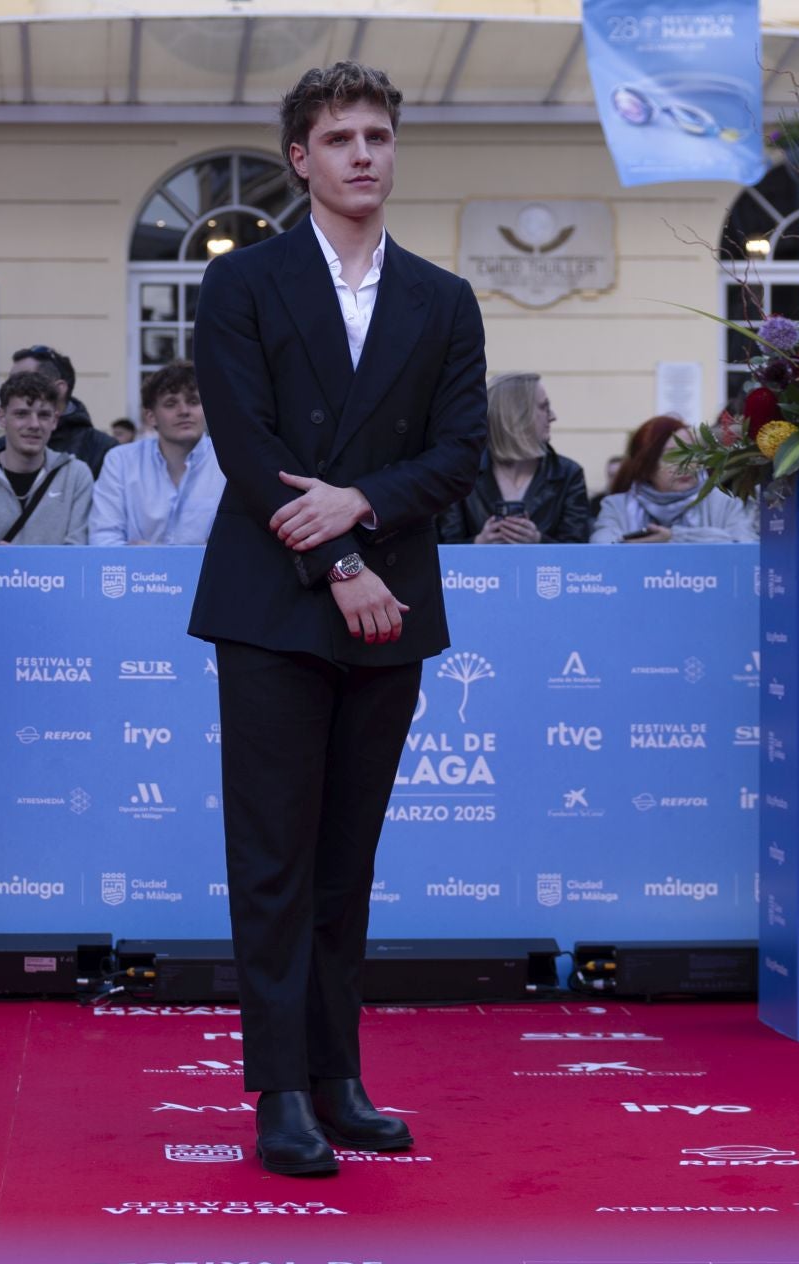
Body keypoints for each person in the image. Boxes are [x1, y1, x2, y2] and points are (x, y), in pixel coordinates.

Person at [187, 61, 486, 1177]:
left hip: (390, 609)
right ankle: (278, 1090)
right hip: (277, 605)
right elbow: (246, 445)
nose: (364, 152)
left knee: (345, 863)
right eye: (340, 136)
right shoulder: (244, 284)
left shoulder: (443, 300)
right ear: (300, 159)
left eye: (379, 134)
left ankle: (337, 1074)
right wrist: (344, 558)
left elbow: (458, 453)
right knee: (273, 857)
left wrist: (362, 506)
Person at [437, 372, 590, 544]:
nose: (553, 416)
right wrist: (479, 543)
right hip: (482, 572)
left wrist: (538, 541)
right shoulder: (461, 472)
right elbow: (443, 551)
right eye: (543, 407)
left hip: (542, 572)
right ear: (516, 416)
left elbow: (578, 554)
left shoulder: (569, 474)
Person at [0, 371, 93, 545]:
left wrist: (17, 561)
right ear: (1, 417)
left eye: (43, 415)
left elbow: (78, 554)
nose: (34, 425)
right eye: (22, 414)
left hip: (54, 574)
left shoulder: (76, 476)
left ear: (55, 420)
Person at [89, 361, 224, 546]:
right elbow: (102, 538)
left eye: (193, 401)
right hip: (136, 573)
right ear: (150, 416)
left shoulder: (227, 461)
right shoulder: (120, 461)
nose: (184, 411)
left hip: (209, 574)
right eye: (171, 404)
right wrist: (144, 560)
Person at [590, 415, 755, 542]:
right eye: (672, 456)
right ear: (645, 466)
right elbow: (601, 550)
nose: (686, 464)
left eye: (692, 453)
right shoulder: (617, 507)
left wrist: (675, 537)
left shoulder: (724, 504)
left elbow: (746, 548)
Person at [10, 344, 117, 478]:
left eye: (23, 381)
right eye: (10, 382)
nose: (11, 390)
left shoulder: (104, 451)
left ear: (59, 388)